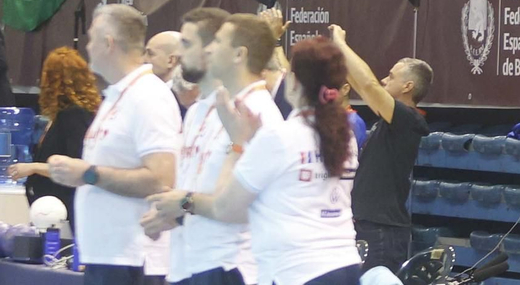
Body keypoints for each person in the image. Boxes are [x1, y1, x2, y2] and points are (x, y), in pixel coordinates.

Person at [141, 37, 362, 285]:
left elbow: (225, 207)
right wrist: (255, 140)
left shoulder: (279, 137)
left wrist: (235, 145)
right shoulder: (345, 137)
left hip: (296, 270)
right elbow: (294, 183)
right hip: (344, 264)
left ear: (293, 81)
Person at [142, 10, 282, 285]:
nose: (209, 50)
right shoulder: (200, 110)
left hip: (233, 265)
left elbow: (242, 207)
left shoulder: (260, 114)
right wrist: (174, 214)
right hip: (189, 263)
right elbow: (202, 192)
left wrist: (183, 203)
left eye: (217, 42)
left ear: (238, 54)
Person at [48, 4, 181, 285]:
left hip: (132, 259)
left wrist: (88, 174)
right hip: (109, 256)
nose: (87, 47)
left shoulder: (148, 96)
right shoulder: (117, 96)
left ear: (108, 43)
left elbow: (161, 179)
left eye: (91, 38)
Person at [329, 25, 431, 275]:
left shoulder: (408, 119)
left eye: (391, 76)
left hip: (383, 230)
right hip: (369, 225)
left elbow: (369, 85)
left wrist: (341, 43)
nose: (385, 80)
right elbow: (361, 85)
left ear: (407, 86)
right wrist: (339, 55)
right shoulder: (391, 118)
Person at [9, 47, 100, 233]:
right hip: (52, 211)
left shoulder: (73, 115)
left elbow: (77, 164)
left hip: (64, 211)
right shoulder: (62, 116)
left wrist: (34, 167)